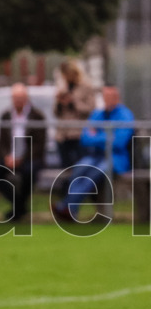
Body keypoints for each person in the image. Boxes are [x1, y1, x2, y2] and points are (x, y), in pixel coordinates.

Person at [52, 85, 135, 223]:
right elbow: (85, 138)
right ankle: (70, 209)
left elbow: (119, 142)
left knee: (93, 173)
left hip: (116, 157)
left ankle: (67, 206)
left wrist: (98, 136)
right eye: (106, 96)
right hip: (96, 156)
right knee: (79, 169)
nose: (108, 99)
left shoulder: (125, 115)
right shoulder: (97, 114)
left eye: (112, 96)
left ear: (117, 97)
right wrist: (108, 136)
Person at [0, 83, 46, 222]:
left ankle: (18, 208)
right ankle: (19, 206)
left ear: (27, 98)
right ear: (12, 99)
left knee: (28, 172)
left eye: (21, 97)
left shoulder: (37, 116)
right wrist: (7, 157)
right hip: (9, 157)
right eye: (16, 97)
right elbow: (2, 142)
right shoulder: (6, 115)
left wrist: (21, 158)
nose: (18, 100)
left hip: (30, 157)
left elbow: (39, 144)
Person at [53, 60, 97, 170]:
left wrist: (73, 102)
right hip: (63, 134)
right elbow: (55, 113)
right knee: (65, 168)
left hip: (79, 134)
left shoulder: (86, 87)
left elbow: (91, 109)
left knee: (81, 167)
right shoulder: (62, 87)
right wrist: (60, 102)